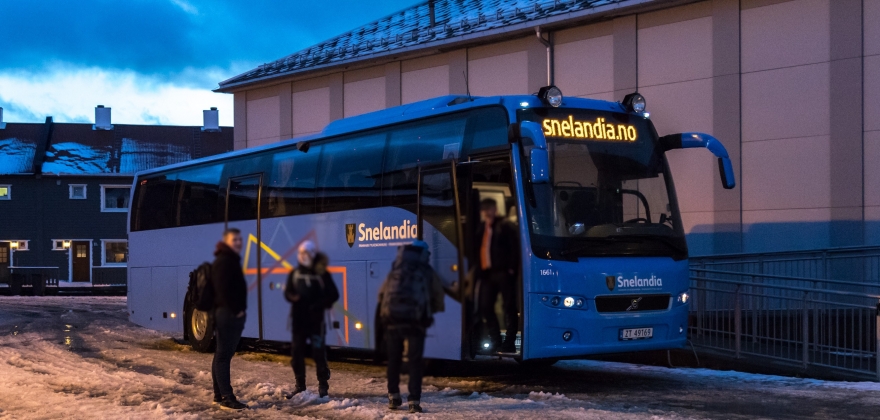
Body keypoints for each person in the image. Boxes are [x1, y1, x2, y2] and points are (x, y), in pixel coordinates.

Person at [378, 240, 445, 413]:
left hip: (393, 322)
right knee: (415, 362)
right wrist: (430, 312)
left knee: (394, 360)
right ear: (424, 254)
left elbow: (381, 295)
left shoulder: (396, 269)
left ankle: (393, 397)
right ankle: (414, 401)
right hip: (416, 323)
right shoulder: (426, 270)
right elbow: (438, 296)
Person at [284, 241, 339, 398]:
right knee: (297, 353)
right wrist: (292, 297)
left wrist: (319, 304)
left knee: (318, 352)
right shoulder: (294, 274)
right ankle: (299, 385)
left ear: (313, 254)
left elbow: (333, 294)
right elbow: (288, 292)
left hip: (316, 321)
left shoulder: (322, 274)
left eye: (307, 253)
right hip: (299, 321)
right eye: (301, 253)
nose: (304, 256)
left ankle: (323, 385)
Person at [476, 198, 520, 353]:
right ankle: (496, 341)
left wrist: (511, 269)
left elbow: (515, 247)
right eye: (485, 209)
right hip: (488, 273)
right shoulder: (482, 228)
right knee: (485, 306)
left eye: (490, 208)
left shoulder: (505, 225)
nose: (487, 212)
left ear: (495, 209)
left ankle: (509, 342)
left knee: (509, 306)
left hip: (503, 272)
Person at [211, 228, 248, 410]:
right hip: (227, 314)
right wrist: (237, 310)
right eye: (234, 240)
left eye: (240, 240)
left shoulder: (227, 260)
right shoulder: (225, 262)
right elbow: (223, 289)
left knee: (221, 355)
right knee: (224, 356)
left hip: (226, 313)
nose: (238, 243)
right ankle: (227, 396)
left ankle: (219, 395)